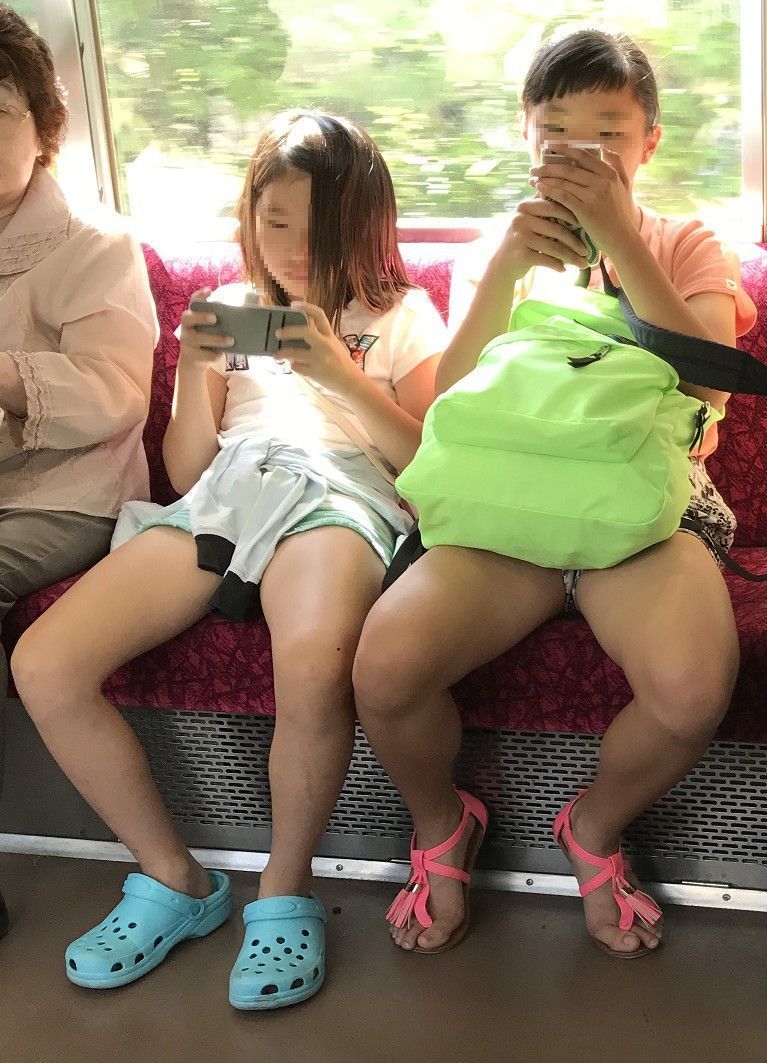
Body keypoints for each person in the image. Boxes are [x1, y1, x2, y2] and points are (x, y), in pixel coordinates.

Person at [11, 109, 446, 1006]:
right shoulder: (230, 308)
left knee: (315, 661)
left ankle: (284, 887)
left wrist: (338, 373)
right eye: (274, 221)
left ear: (366, 226)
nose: (293, 248)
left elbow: (427, 468)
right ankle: (173, 876)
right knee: (44, 662)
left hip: (337, 496)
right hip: (226, 493)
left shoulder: (400, 316)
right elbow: (184, 471)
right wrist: (196, 370)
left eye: (320, 227)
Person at [352, 27, 757, 959]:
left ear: (648, 142)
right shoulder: (499, 250)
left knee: (692, 687)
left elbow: (706, 389)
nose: (582, 154)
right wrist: (503, 268)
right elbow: (448, 405)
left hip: (646, 510)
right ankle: (442, 822)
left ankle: (594, 825)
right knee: (385, 667)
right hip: (511, 509)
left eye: (607, 135)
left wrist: (620, 239)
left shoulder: (687, 243)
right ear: (525, 138)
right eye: (556, 134)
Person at [0, 5, 157, 939]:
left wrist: (5, 378)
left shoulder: (93, 243)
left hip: (69, 492)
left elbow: (117, 394)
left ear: (44, 126)